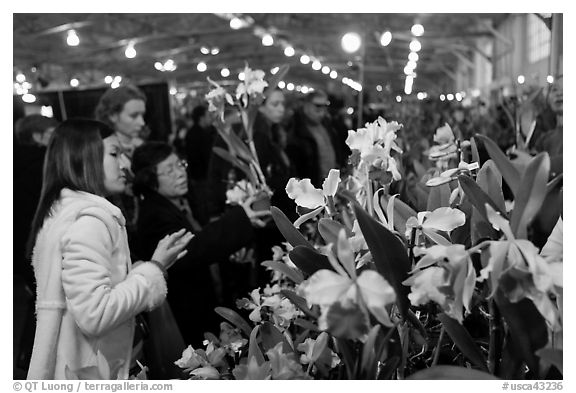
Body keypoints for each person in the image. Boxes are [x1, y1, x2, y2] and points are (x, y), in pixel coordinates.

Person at [26, 119, 192, 379]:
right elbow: (96, 314)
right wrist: (154, 269)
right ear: (84, 158)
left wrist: (135, 272)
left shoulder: (65, 211)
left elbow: (86, 293)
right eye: (115, 154)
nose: (125, 165)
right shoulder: (89, 221)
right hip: (94, 369)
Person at [131, 142, 267, 347]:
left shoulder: (180, 201)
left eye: (180, 165)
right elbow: (193, 248)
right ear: (150, 180)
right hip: (189, 313)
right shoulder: (154, 216)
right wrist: (241, 217)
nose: (180, 173)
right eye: (169, 170)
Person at [13, 114, 59, 377]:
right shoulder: (44, 165)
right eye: (51, 133)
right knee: (48, 304)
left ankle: (27, 359)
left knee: (40, 301)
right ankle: (36, 364)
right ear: (39, 136)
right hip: (39, 244)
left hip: (19, 246)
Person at [94, 85, 148, 244]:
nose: (142, 122)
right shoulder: (100, 154)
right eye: (133, 116)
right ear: (112, 115)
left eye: (142, 115)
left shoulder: (142, 147)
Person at [287, 90, 346, 188]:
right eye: (317, 107)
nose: (321, 113)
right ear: (307, 105)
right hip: (310, 186)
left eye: (324, 107)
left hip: (329, 182)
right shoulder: (296, 128)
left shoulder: (327, 125)